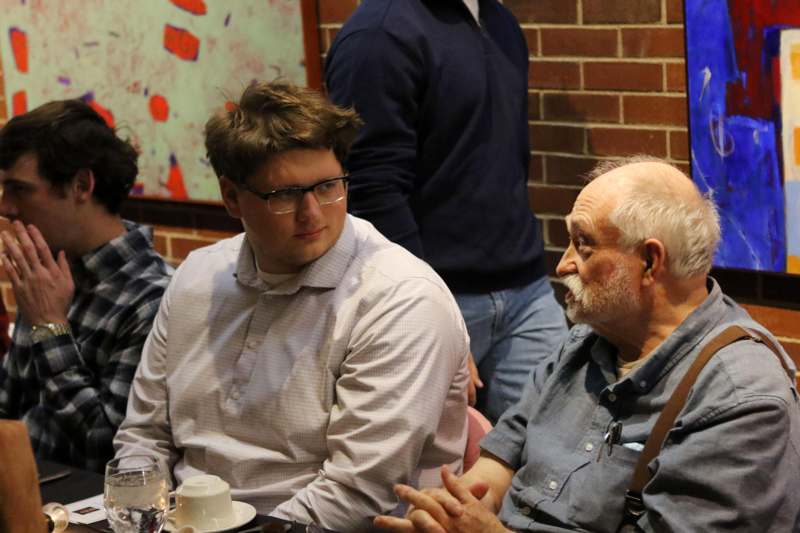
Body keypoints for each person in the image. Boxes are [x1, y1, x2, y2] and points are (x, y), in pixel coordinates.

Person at [113, 81, 470, 532]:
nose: (313, 214)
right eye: (283, 195)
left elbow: (356, 493)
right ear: (230, 197)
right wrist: (142, 518)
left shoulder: (400, 299)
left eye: (327, 187)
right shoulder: (197, 276)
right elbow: (144, 435)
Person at [375, 157, 800, 532]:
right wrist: (447, 513)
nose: (563, 264)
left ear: (650, 262)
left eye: (584, 245)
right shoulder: (587, 340)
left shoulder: (740, 398)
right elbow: (500, 461)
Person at [325, 0, 568, 422]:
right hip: (438, 293)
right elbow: (372, 189)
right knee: (436, 467)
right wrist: (431, 306)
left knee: (548, 447)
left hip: (526, 289)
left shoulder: (501, 22)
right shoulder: (380, 34)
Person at [0, 99, 173, 473]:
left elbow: (108, 452)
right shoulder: (49, 269)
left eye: (19, 190)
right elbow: (7, 410)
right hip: (23, 489)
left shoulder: (154, 297)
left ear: (81, 185)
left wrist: (50, 327)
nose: (6, 207)